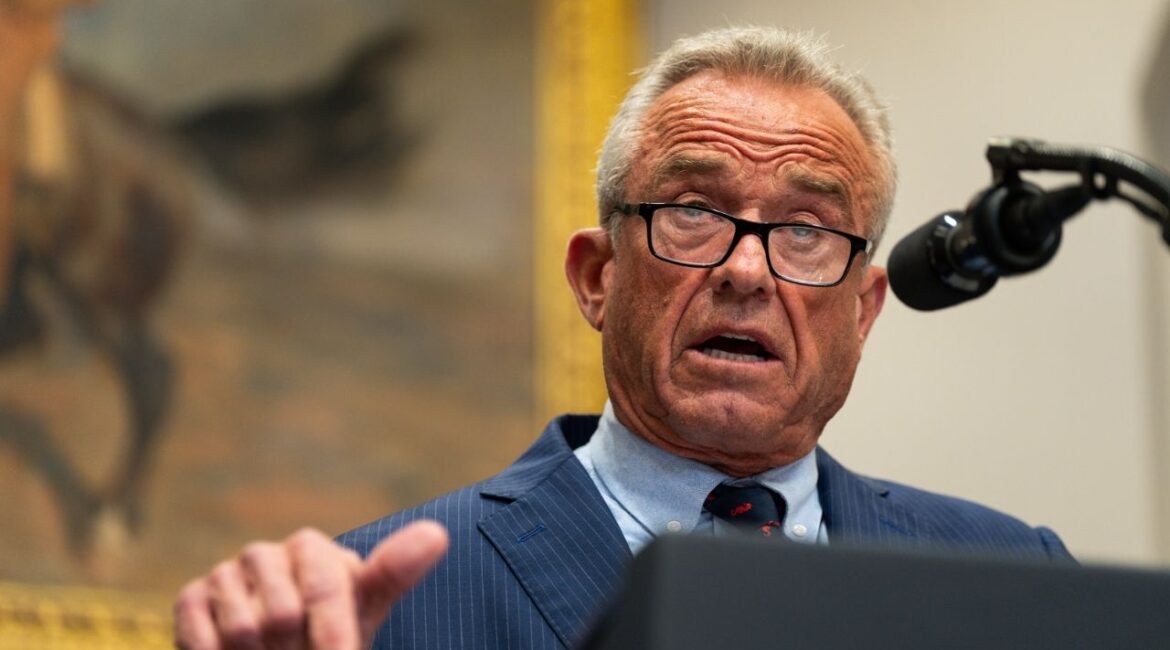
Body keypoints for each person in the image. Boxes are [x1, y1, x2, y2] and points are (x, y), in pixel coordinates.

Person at [174, 26, 1073, 650]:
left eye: (806, 229)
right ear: (597, 277)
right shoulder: (375, 601)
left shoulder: (1016, 581)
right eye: (692, 211)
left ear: (865, 310)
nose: (748, 272)